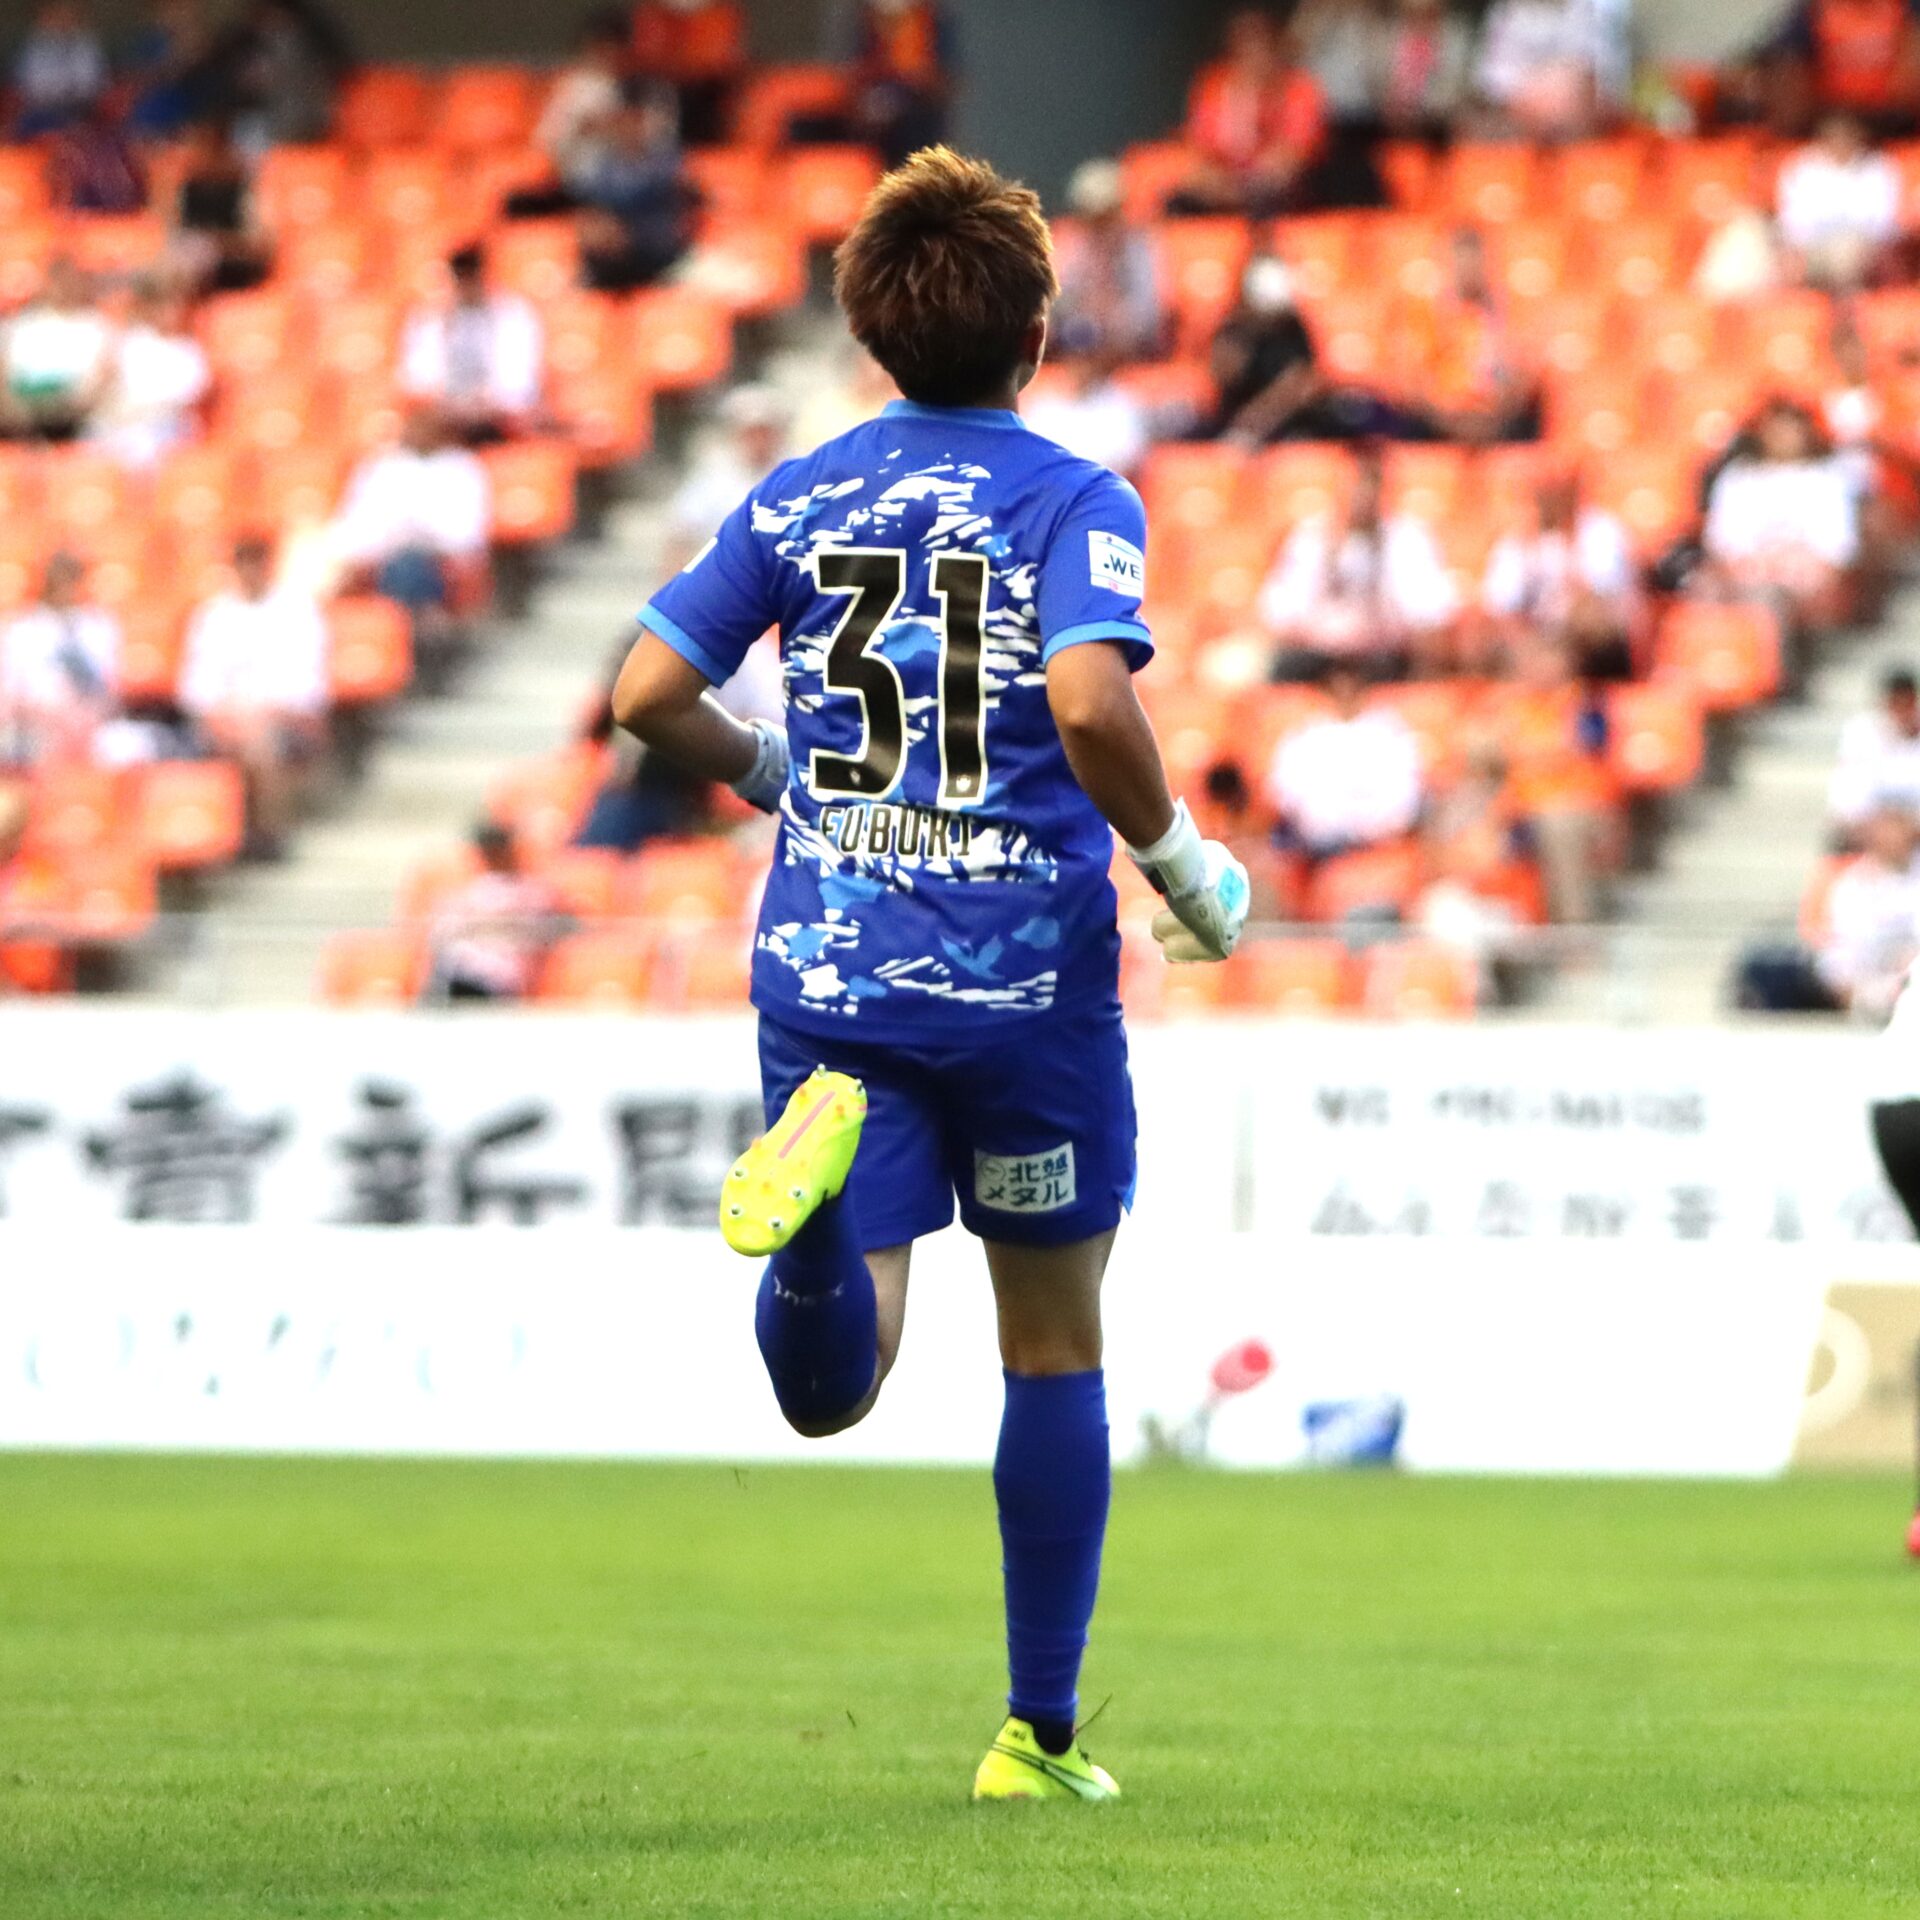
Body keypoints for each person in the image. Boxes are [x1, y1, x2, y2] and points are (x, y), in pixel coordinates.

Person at [609, 147, 1249, 1802]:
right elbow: (1092, 703)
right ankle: (1037, 1738)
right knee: (1052, 1345)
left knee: (840, 1388)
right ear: (1037, 333)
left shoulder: (799, 495)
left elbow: (645, 695)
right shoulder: (1076, 499)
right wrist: (1182, 859)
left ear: (871, 334)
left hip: (833, 974)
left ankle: (820, 1232)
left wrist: (771, 770)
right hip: (1025, 996)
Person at [178, 535, 331, 857]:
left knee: (261, 742)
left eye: (256, 562)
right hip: (227, 718)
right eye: (243, 563)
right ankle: (233, 834)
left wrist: (263, 711)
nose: (250, 571)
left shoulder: (298, 611)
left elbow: (308, 684)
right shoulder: (213, 615)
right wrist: (226, 714)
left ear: (268, 565)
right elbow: (197, 685)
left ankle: (269, 833)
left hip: (284, 718)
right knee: (242, 739)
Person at [1253, 443, 1458, 679]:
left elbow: (1436, 607)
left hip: (1386, 653)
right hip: (1318, 652)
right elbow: (1278, 607)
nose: (1359, 496)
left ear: (1382, 489)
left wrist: (1387, 618)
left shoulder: (1408, 537)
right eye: (1352, 485)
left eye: (1368, 485)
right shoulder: (1311, 537)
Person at [332, 408, 491, 667]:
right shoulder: (384, 467)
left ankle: (413, 641)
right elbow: (359, 524)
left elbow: (466, 534)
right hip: (383, 558)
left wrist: (421, 534)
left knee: (408, 566)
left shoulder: (461, 468)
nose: (417, 433)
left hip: (440, 562)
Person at [1700, 397, 1859, 631]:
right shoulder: (1739, 476)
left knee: (1772, 598)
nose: (1783, 437)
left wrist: (1792, 564)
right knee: (1706, 589)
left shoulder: (1829, 477)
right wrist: (1758, 564)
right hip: (1748, 572)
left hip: (1807, 576)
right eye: (1776, 430)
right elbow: (1722, 540)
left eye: (1790, 429)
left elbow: (1839, 546)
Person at [1171, 10, 1329, 217]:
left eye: (1261, 47)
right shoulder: (1213, 84)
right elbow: (1201, 147)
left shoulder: (1300, 88)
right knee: (1181, 197)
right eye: (1245, 48)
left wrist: (1253, 179)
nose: (1254, 56)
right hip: (1225, 183)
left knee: (1271, 189)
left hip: (1280, 190)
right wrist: (1219, 180)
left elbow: (1295, 153)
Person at [1481, 473, 1637, 681]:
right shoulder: (1516, 542)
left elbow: (1604, 591)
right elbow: (1499, 602)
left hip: (1596, 637)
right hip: (1540, 636)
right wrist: (1530, 549)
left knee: (1586, 613)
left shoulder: (1602, 529)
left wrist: (1569, 541)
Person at [1266, 663, 1424, 865]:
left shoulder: (1391, 733)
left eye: (1351, 689)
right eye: (1338, 690)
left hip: (1382, 838)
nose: (1345, 696)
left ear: (1363, 691)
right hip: (1320, 844)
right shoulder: (1304, 736)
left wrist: (1373, 825)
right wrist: (1328, 823)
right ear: (1326, 693)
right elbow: (1287, 791)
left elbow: (1406, 789)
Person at [399, 244, 544, 445]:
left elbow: (520, 380)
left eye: (472, 278)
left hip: (498, 415)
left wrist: (488, 401)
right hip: (446, 415)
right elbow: (416, 378)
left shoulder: (514, 313)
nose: (467, 286)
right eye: (461, 278)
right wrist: (449, 403)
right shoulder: (430, 316)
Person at [0, 553, 123, 773]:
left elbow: (111, 691)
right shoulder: (21, 628)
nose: (65, 588)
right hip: (37, 725)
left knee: (124, 747)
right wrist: (50, 717)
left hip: (88, 725)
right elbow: (10, 696)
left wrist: (85, 718)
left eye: (71, 579)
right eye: (58, 579)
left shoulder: (100, 626)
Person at [427, 822, 569, 1000]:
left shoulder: (535, 892)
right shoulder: (471, 892)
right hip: (465, 976)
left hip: (502, 983)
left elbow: (556, 927)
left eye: (499, 849)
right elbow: (440, 935)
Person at [661, 383, 790, 574]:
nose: (759, 441)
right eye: (751, 433)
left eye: (765, 433)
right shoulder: (713, 478)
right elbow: (680, 537)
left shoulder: (796, 473)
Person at [577, 96, 699, 292]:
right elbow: (595, 208)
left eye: (635, 121)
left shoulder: (666, 163)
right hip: (611, 260)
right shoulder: (606, 164)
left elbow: (674, 219)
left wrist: (626, 235)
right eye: (622, 122)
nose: (628, 128)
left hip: (657, 255)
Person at [1050, 159, 1164, 364]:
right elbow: (1055, 308)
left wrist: (1113, 315)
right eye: (1092, 217)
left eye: (1107, 216)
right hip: (1076, 353)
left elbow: (1151, 316)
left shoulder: (1142, 249)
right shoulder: (1070, 247)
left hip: (1131, 357)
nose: (1100, 227)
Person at [90, 277, 211, 469]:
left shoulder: (190, 351)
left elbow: (187, 400)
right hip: (121, 426)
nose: (169, 313)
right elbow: (103, 386)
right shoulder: (132, 341)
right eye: (162, 306)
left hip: (165, 433)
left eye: (174, 306)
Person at [1775, 110, 1903, 288]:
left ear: (1859, 138)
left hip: (1863, 247)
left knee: (1846, 252)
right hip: (1810, 246)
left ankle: (1849, 303)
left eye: (1847, 136)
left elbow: (1883, 222)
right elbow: (1793, 218)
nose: (1841, 142)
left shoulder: (1878, 167)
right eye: (1835, 136)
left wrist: (1848, 234)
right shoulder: (1802, 166)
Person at [1471, 0, 1628, 139]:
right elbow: (1495, 88)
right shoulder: (1505, 12)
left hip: (1585, 139)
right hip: (1519, 138)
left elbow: (1602, 85)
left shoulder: (1595, 10)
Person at [525, 10, 630, 211]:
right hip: (581, 186)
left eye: (613, 47)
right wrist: (579, 127)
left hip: (635, 188)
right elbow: (545, 140)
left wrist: (626, 130)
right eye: (601, 46)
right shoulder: (573, 88)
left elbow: (661, 143)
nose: (607, 54)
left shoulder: (642, 87)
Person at [0, 257, 113, 444]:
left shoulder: (96, 325)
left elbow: (104, 375)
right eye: (58, 280)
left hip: (76, 422)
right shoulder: (24, 324)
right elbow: (6, 373)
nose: (63, 287)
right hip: (22, 421)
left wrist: (73, 406)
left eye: (70, 280)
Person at [844, 0, 956, 169]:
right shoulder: (868, 29)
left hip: (921, 129)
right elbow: (856, 77)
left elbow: (946, 81)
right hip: (877, 142)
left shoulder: (933, 23)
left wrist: (912, 82)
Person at [170, 119, 271, 296]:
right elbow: (175, 236)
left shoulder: (242, 189)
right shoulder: (188, 188)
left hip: (236, 267)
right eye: (200, 147)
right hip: (195, 263)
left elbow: (257, 242)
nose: (205, 155)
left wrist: (220, 243)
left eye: (212, 148)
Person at [631, 0, 747, 147]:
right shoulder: (652, 13)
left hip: (709, 96)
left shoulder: (721, 15)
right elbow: (645, 55)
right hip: (662, 90)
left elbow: (722, 61)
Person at [1023, 355, 1152, 479]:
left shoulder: (1119, 401)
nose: (1081, 370)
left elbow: (1127, 457)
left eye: (1085, 362)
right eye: (1075, 363)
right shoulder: (1045, 404)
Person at [1831, 668, 1920, 834]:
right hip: (1873, 832)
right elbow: (1846, 800)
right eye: (1896, 704)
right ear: (1885, 703)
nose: (1902, 713)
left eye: (1907, 704)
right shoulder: (1861, 733)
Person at [10, 1, 108, 137]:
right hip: (39, 110)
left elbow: (90, 84)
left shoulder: (85, 44)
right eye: (53, 15)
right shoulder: (35, 46)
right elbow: (31, 85)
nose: (60, 21)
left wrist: (64, 92)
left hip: (79, 110)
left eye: (66, 14)